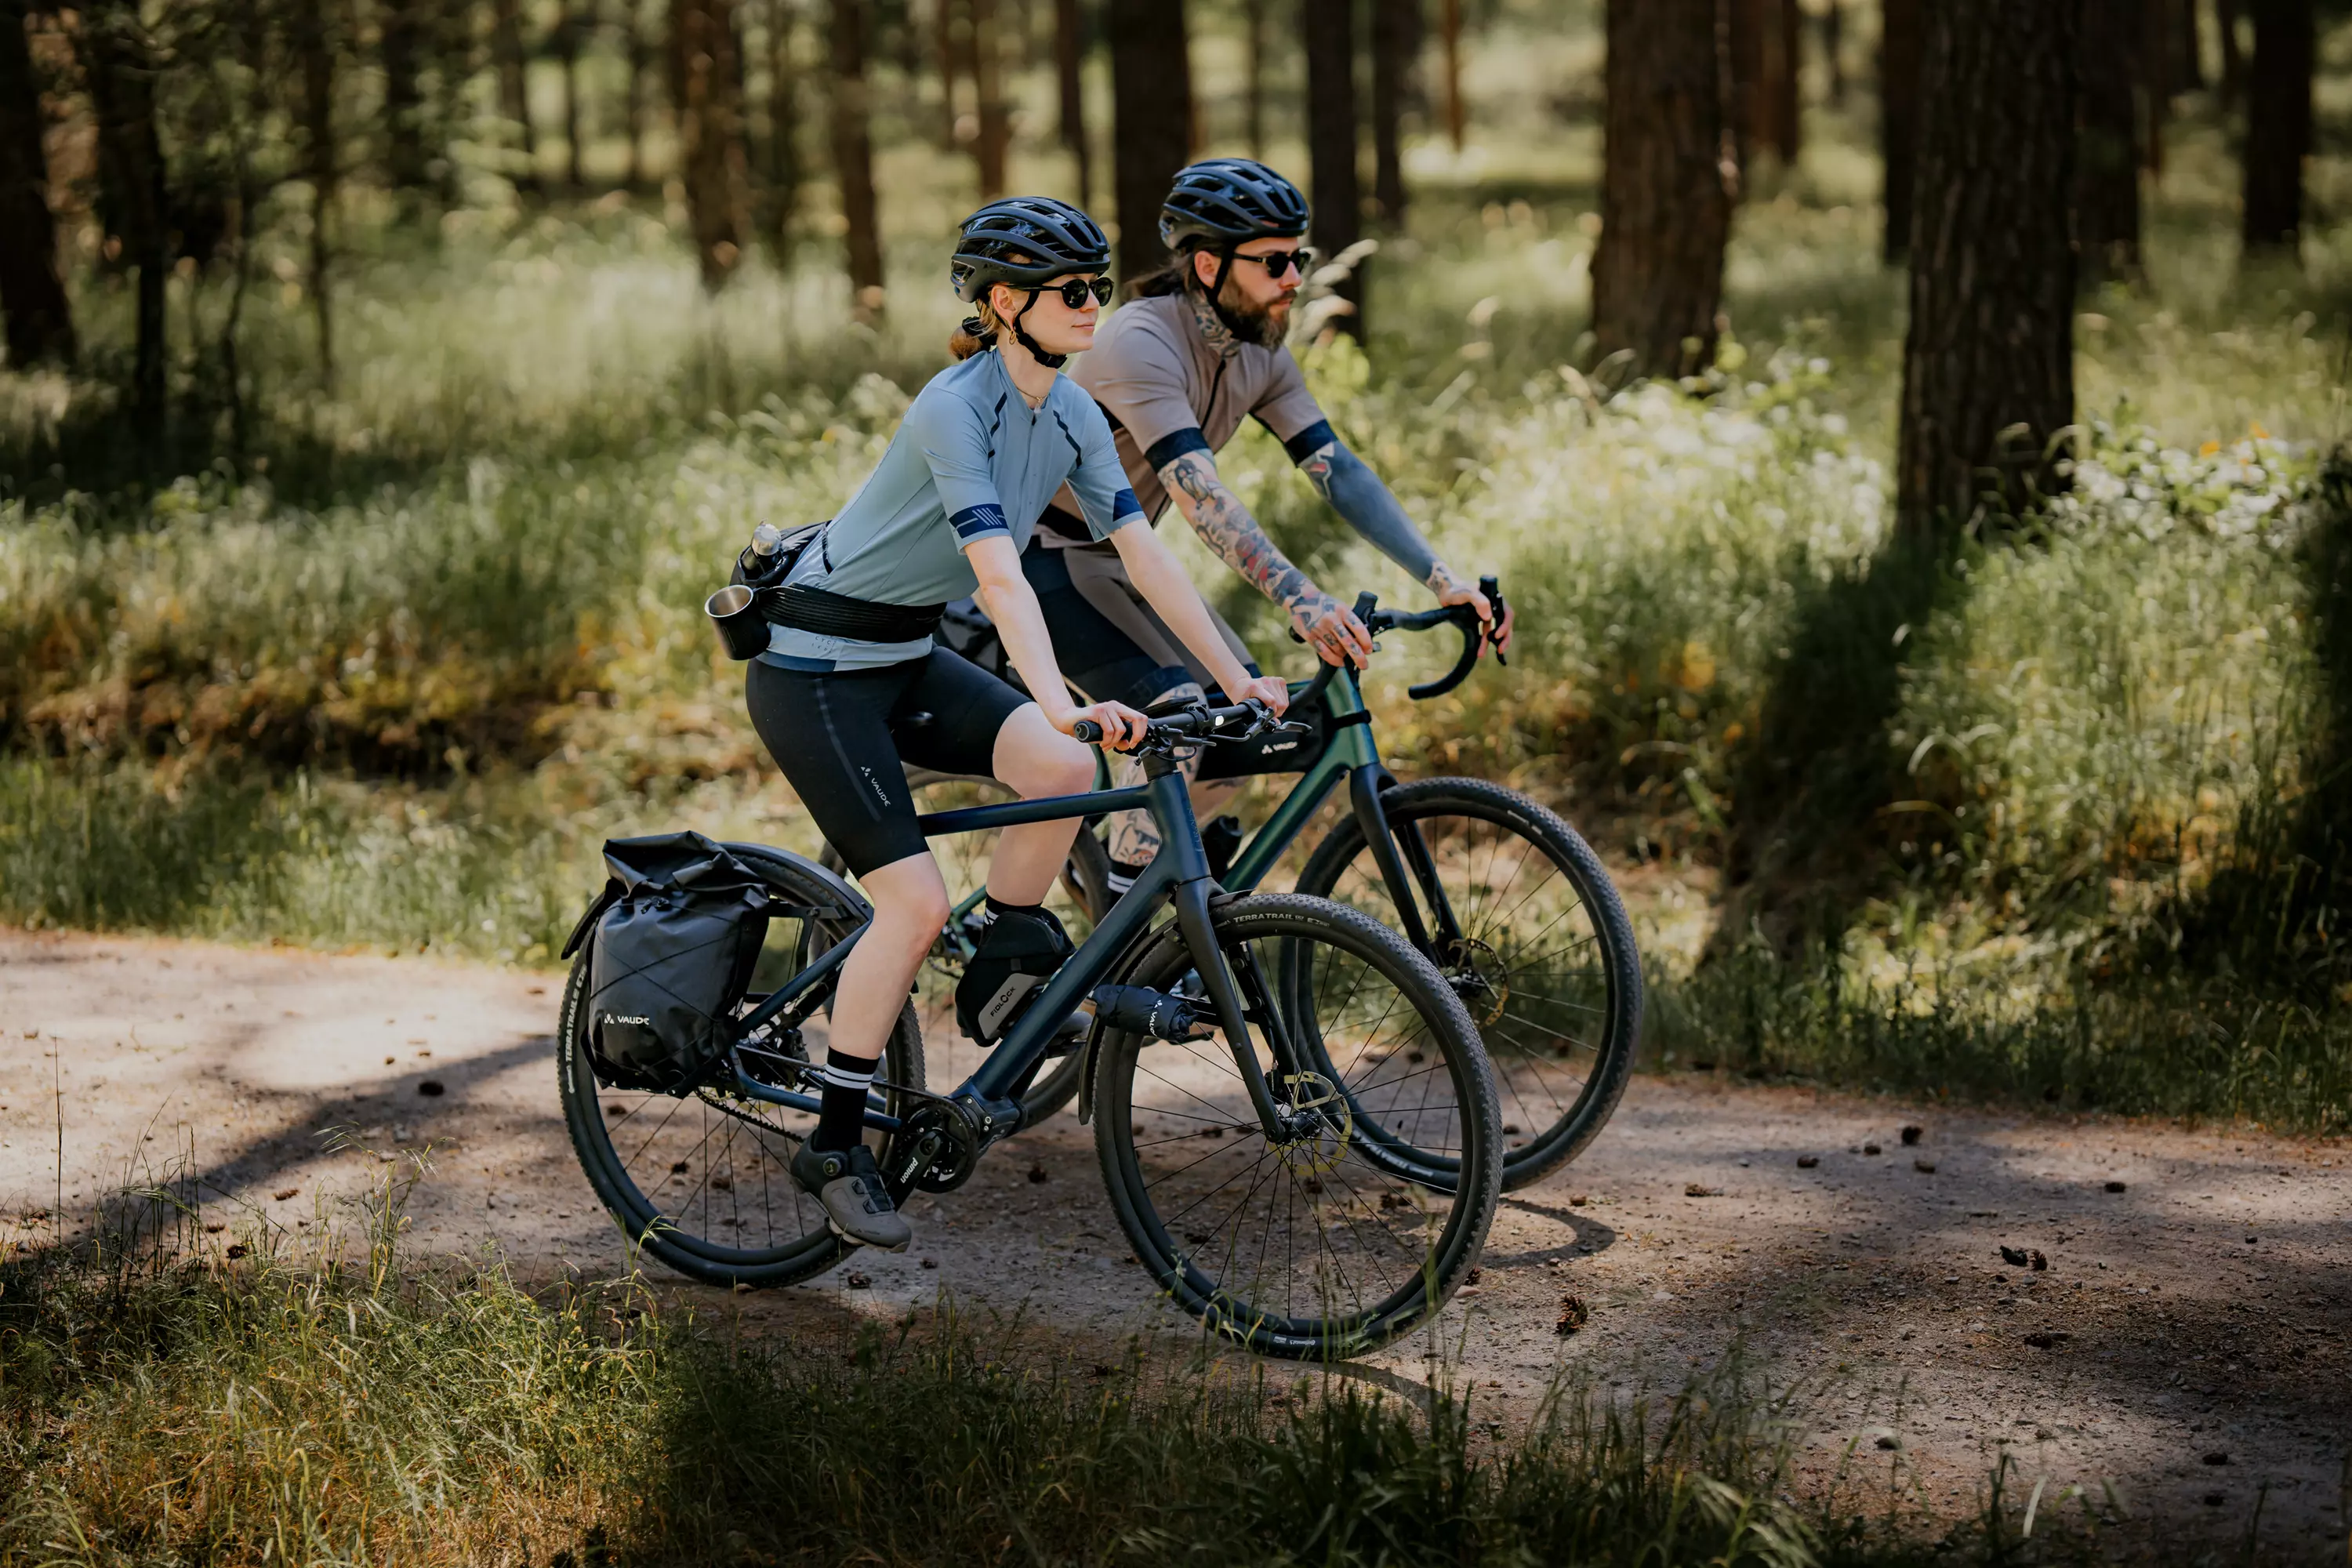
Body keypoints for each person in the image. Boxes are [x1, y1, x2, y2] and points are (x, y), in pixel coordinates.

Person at [745, 198, 1288, 1250]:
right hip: (815, 668)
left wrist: (1239, 674)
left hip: (902, 654)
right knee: (907, 908)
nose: (1096, 305)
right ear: (1007, 304)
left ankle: (1005, 951)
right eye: (1074, 291)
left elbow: (1146, 554)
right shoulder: (955, 409)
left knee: (1063, 773)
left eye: (1098, 286)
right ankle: (837, 1140)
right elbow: (998, 573)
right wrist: (1054, 696)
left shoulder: (1076, 412)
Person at [1018, 158, 1514, 885]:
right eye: (1276, 261)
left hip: (1122, 558)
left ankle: (1143, 888)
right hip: (1038, 556)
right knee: (1177, 718)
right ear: (1210, 264)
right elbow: (1200, 496)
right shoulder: (1138, 340)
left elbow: (1337, 471)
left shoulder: (1261, 353)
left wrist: (1443, 580)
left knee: (1244, 726)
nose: (1295, 277)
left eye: (1300, 257)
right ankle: (1122, 926)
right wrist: (1303, 601)